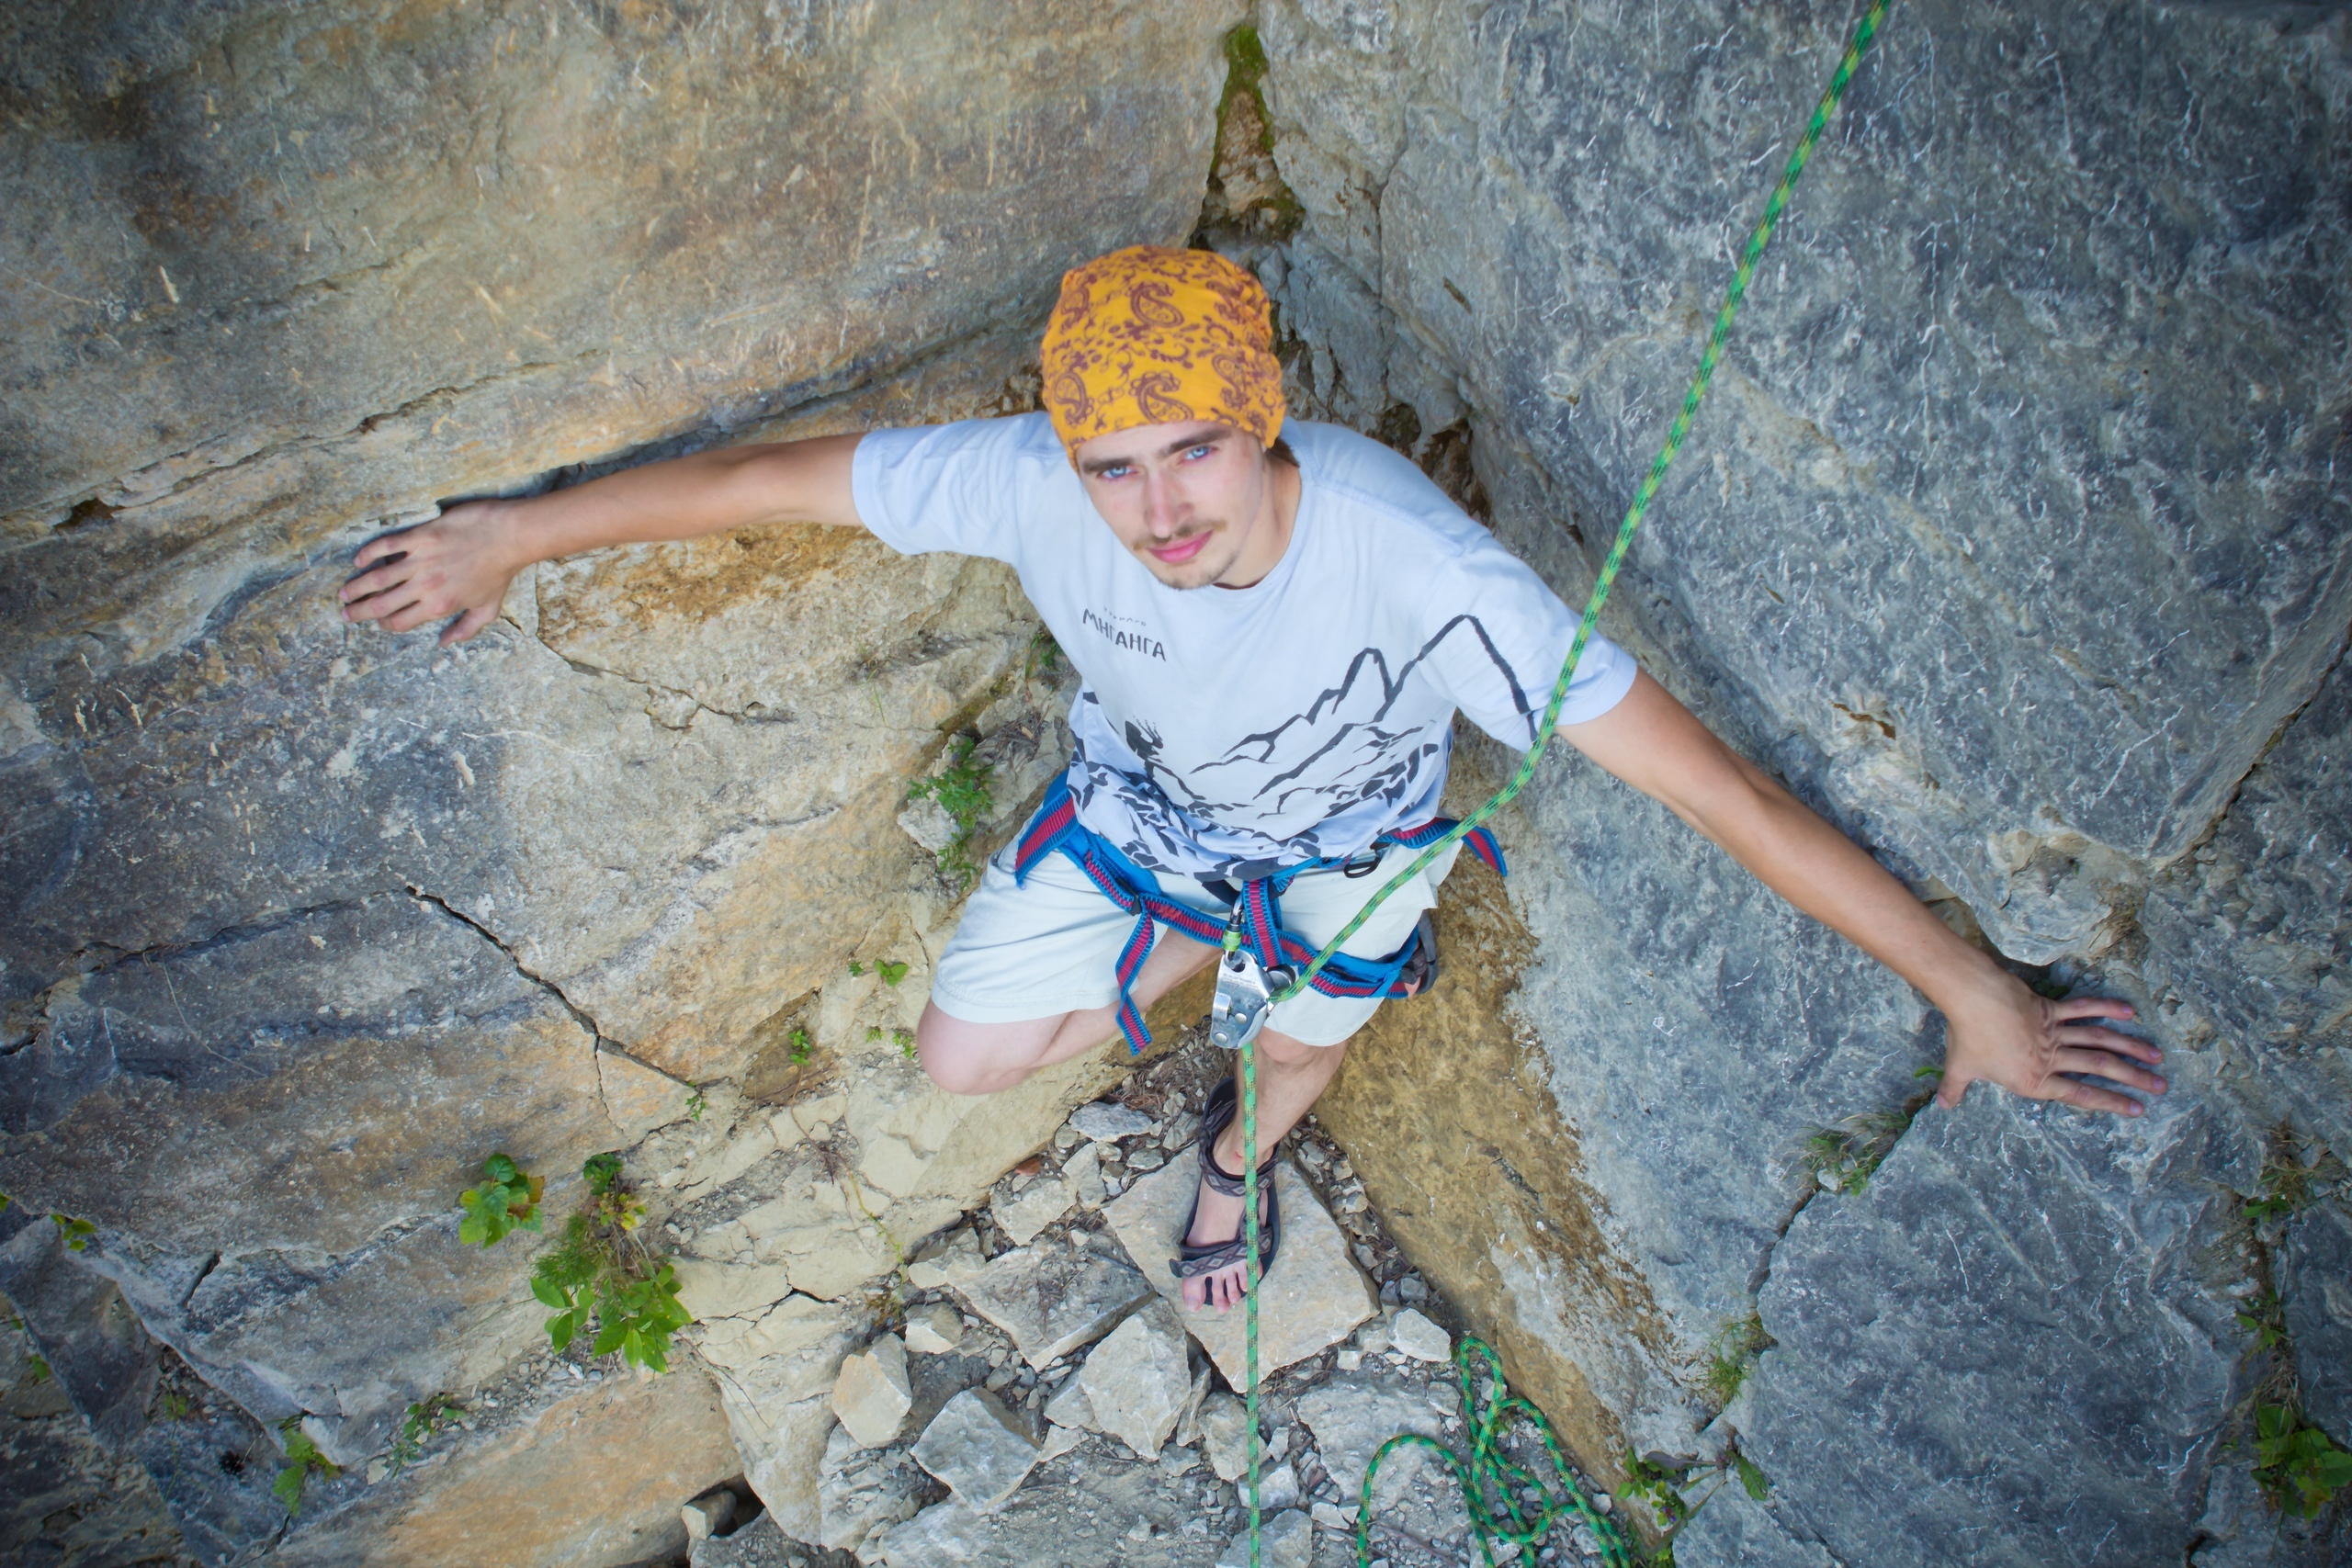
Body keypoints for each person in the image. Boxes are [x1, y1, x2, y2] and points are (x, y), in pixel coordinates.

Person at [338, 245, 2167, 1314]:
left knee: (1292, 1046)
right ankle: (1204, 967)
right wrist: (513, 536)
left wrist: (1970, 988)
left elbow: (1728, 800)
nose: (1159, 513)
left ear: (1263, 413)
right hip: (1144, 819)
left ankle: (1231, 1157)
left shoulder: (1420, 569)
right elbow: (764, 486)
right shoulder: (1030, 485)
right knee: (966, 1051)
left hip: (1344, 845)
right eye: (1116, 464)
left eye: (1194, 447)